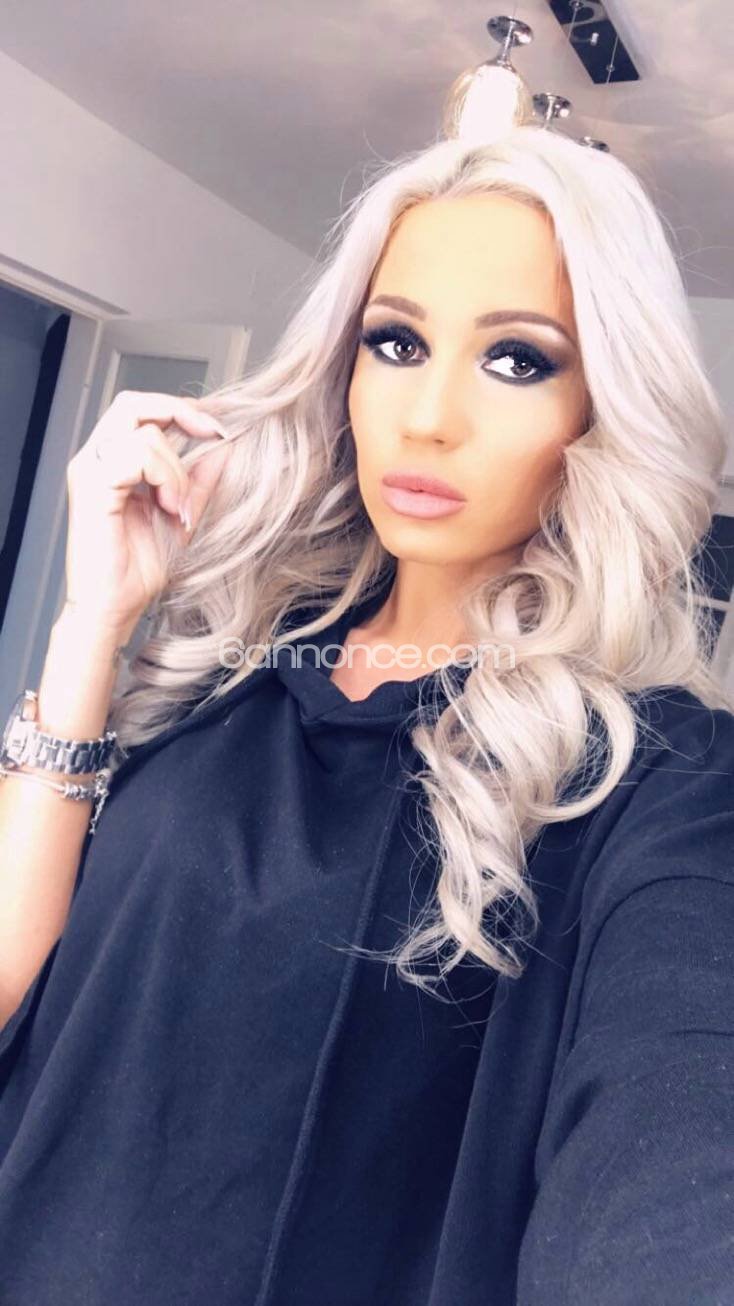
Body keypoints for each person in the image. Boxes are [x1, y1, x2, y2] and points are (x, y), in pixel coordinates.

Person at [0, 124, 732, 1306]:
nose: (427, 416)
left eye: (516, 360)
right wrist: (93, 623)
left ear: (602, 410)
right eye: (394, 342)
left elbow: (680, 1125)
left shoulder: (657, 780)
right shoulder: (230, 664)